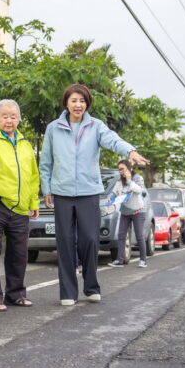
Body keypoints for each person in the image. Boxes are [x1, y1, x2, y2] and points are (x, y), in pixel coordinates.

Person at [39, 84, 149, 306]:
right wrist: (46, 189)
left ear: (87, 103)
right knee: (65, 241)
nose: (78, 105)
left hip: (89, 192)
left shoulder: (95, 126)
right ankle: (68, 292)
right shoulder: (53, 128)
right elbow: (46, 162)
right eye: (73, 100)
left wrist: (129, 150)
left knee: (90, 239)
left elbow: (113, 140)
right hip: (62, 192)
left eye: (82, 101)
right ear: (66, 103)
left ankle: (91, 287)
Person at [0, 99, 40, 312]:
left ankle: (16, 294)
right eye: (4, 116)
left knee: (19, 254)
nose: (9, 120)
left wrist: (33, 201)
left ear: (19, 119)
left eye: (13, 116)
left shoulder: (25, 143)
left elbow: (33, 176)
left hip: (19, 207)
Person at [109, 159, 149, 268]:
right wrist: (110, 198)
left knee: (139, 236)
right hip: (125, 212)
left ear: (128, 168)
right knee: (121, 235)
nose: (121, 172)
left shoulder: (137, 178)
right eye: (119, 170)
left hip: (138, 211)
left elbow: (139, 190)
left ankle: (143, 260)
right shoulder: (119, 181)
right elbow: (114, 192)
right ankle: (119, 260)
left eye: (123, 169)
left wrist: (129, 180)